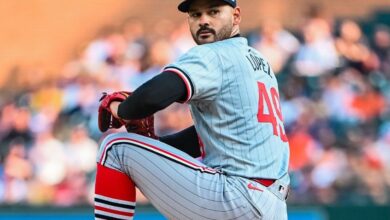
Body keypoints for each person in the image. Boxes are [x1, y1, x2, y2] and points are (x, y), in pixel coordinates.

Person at [94, 0, 290, 219]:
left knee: (116, 148)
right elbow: (211, 136)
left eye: (214, 11)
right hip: (272, 206)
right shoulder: (258, 60)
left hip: (236, 196)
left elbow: (150, 98)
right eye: (196, 15)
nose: (204, 20)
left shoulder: (213, 54)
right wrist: (156, 146)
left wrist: (120, 109)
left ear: (236, 16)